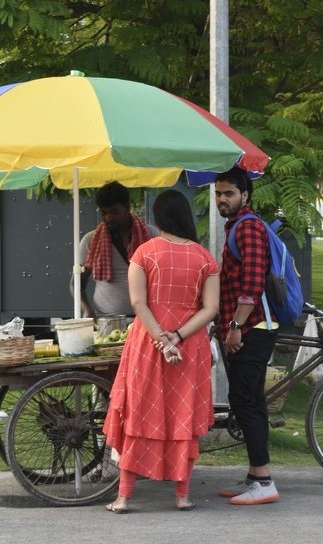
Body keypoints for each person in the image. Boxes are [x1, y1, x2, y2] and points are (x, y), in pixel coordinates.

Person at [102, 189, 220, 513]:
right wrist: (177, 337)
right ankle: (182, 496)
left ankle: (124, 497)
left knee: (139, 412)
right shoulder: (205, 258)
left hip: (147, 344)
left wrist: (161, 339)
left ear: (158, 217)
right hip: (189, 346)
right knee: (183, 415)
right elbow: (211, 309)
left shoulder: (144, 253)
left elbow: (138, 302)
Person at [214, 166, 280, 506]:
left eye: (229, 194)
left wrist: (236, 326)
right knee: (252, 401)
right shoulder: (238, 227)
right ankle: (256, 475)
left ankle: (264, 480)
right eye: (218, 194)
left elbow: (252, 284)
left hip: (251, 328)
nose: (222, 199)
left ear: (245, 196)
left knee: (245, 403)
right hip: (249, 327)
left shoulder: (249, 228)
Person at [77, 182, 158, 318]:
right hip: (106, 320)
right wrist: (87, 310)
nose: (108, 218)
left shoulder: (151, 235)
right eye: (104, 213)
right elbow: (77, 284)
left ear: (127, 207)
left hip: (147, 318)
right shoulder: (89, 240)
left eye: (114, 212)